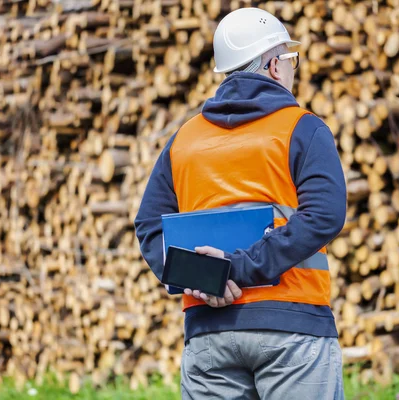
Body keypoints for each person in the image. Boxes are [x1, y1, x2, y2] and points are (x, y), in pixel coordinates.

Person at [134, 7, 347, 400]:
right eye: (289, 59)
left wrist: (208, 278)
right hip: (292, 329)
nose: (292, 69)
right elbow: (325, 215)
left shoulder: (185, 140)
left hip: (209, 335)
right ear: (271, 67)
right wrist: (242, 269)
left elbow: (149, 227)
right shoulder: (303, 128)